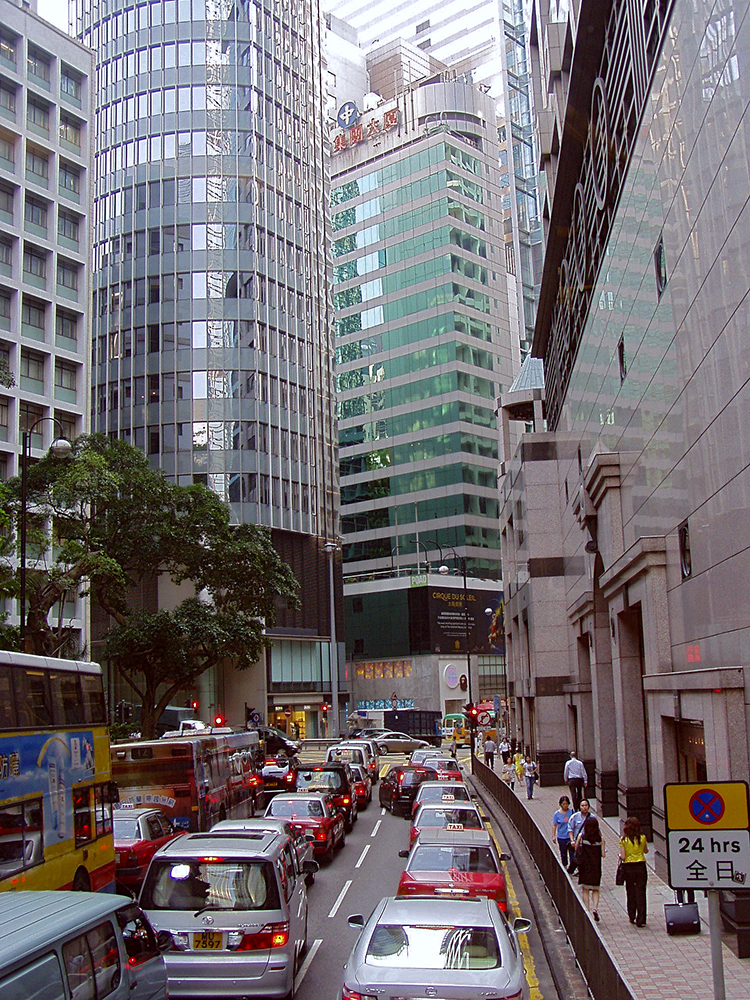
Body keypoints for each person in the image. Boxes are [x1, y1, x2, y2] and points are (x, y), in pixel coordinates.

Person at [619, 815, 648, 927]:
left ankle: (632, 915)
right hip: (640, 866)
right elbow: (645, 851)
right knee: (641, 892)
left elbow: (623, 856)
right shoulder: (643, 838)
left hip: (629, 867)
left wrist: (621, 856)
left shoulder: (623, 840)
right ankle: (641, 919)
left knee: (630, 891)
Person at [575, 815, 605, 921]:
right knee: (596, 889)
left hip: (585, 867)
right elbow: (603, 854)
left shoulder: (582, 837)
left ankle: (587, 911)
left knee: (585, 890)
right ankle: (595, 909)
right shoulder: (600, 839)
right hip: (596, 867)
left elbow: (576, 849)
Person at [566, 799, 591, 874]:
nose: (584, 807)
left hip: (588, 844)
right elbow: (570, 829)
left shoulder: (592, 818)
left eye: (586, 805)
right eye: (582, 806)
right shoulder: (575, 817)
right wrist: (572, 840)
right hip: (577, 843)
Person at [551, 795, 574, 867]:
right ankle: (565, 866)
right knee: (563, 853)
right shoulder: (557, 814)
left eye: (566, 804)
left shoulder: (571, 812)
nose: (565, 805)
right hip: (561, 837)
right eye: (563, 804)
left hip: (570, 837)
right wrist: (554, 836)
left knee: (572, 853)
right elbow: (554, 825)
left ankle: (572, 867)